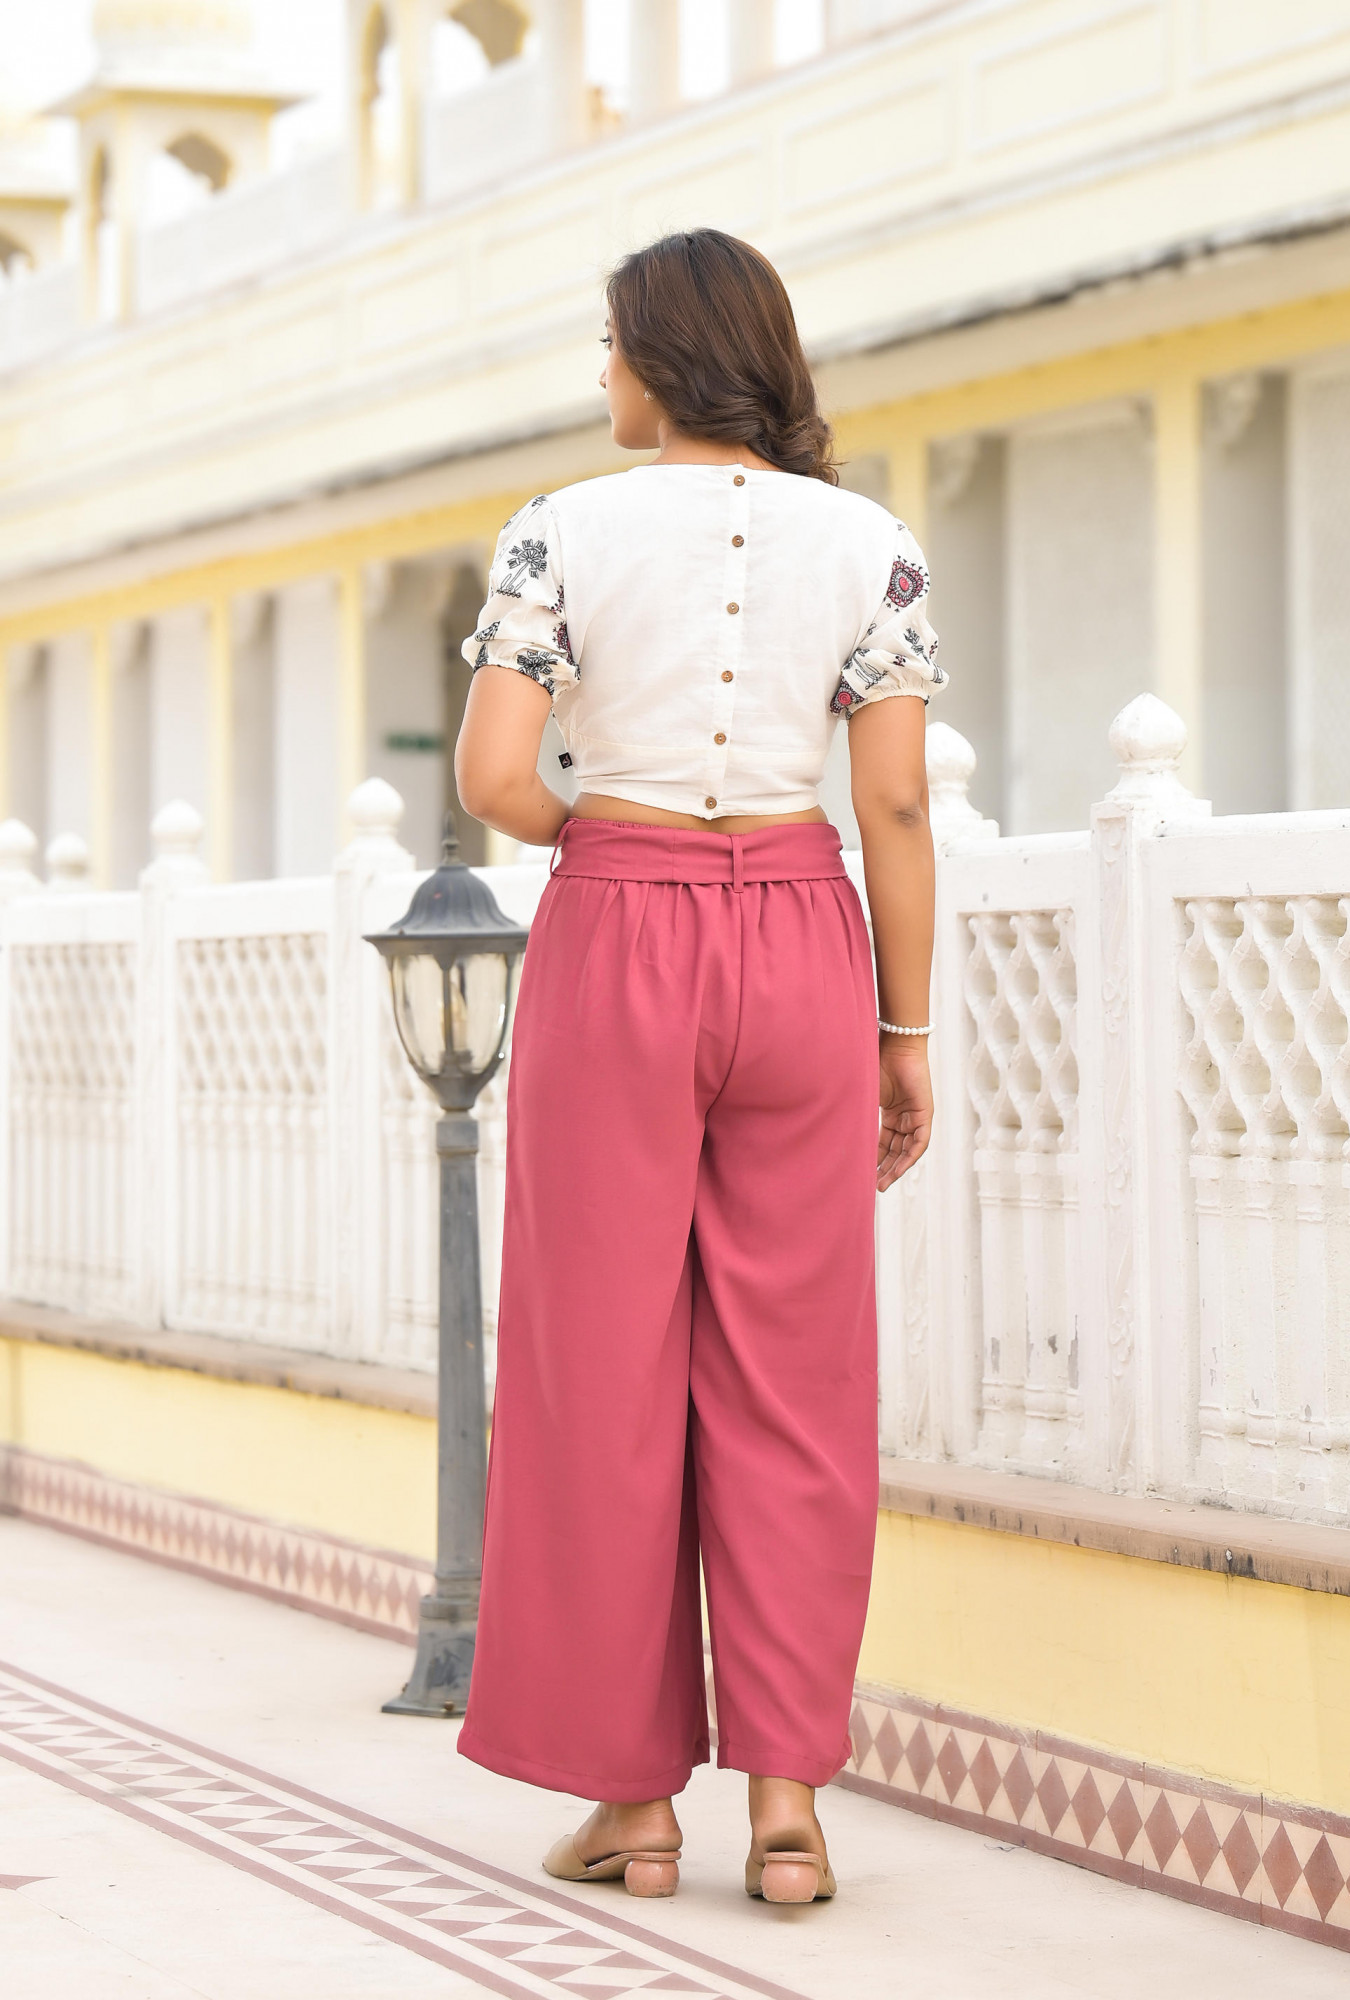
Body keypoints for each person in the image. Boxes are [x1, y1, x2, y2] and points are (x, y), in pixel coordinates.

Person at [453, 228, 943, 1907]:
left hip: (625, 928)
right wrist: (903, 1029)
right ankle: (791, 1811)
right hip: (806, 937)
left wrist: (610, 823)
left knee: (598, 1369)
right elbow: (890, 806)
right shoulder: (870, 543)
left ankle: (631, 1807)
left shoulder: (558, 530)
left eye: (609, 346)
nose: (600, 376)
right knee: (796, 1383)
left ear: (660, 360)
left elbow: (495, 779)